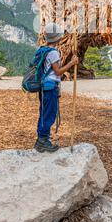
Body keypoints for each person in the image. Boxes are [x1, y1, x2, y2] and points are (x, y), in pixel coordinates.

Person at [34, 22, 78, 153]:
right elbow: (58, 72)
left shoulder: (41, 50)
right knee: (49, 114)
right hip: (50, 87)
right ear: (58, 38)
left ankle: (41, 139)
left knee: (44, 113)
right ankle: (43, 140)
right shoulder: (53, 53)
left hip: (44, 87)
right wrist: (72, 63)